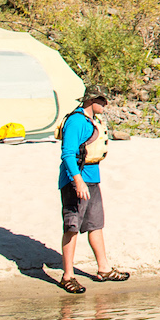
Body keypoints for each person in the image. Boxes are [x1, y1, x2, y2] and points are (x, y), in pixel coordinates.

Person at [58, 86, 127, 293]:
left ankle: (104, 268)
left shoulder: (91, 120)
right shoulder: (76, 121)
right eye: (102, 100)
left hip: (92, 180)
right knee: (72, 226)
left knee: (96, 224)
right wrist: (77, 181)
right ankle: (67, 276)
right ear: (91, 101)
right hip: (75, 181)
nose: (106, 104)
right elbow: (68, 153)